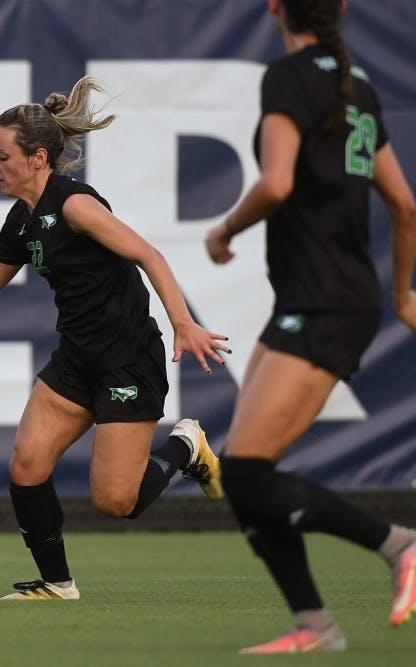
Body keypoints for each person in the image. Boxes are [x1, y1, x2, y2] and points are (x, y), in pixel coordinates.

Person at [0, 76, 231, 600]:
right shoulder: (22, 220)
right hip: (76, 361)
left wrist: (182, 322)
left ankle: (184, 445)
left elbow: (149, 255)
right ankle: (57, 583)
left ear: (37, 158)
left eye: (1, 155)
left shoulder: (76, 205)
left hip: (127, 361)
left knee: (116, 503)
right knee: (27, 465)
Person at [204, 0, 416, 653]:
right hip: (316, 298)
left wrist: (224, 230)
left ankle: (399, 544)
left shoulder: (287, 77)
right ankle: (314, 625)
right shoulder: (359, 87)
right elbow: (405, 206)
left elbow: (275, 183)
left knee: (246, 472)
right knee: (242, 473)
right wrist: (403, 294)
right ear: (342, 9)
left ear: (276, 8)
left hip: (326, 303)